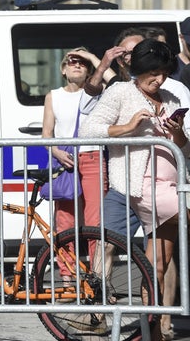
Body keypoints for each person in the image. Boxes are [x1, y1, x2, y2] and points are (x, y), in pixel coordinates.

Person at [79, 38, 190, 341]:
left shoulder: (170, 97)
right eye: (153, 72)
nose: (160, 79)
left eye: (164, 73)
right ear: (138, 69)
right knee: (131, 252)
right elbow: (89, 130)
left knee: (157, 264)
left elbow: (185, 149)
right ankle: (101, 315)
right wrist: (127, 128)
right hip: (142, 186)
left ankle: (151, 332)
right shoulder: (121, 92)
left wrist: (178, 134)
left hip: (172, 182)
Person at [40, 49, 103, 274]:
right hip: (65, 162)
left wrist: (96, 58)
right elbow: (46, 134)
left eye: (83, 63)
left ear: (89, 70)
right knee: (65, 223)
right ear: (64, 69)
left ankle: (98, 279)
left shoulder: (99, 93)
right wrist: (56, 152)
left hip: (93, 159)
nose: (77, 65)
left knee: (96, 223)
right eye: (72, 61)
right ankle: (68, 277)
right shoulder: (54, 96)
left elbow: (113, 81)